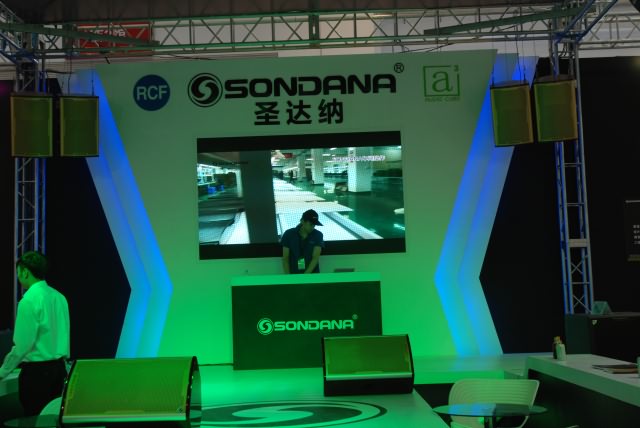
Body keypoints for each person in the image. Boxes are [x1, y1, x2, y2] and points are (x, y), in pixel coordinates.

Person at [0, 251, 70, 416]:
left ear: (25, 272)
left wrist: (3, 371)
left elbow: (22, 346)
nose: (18, 276)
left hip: (37, 375)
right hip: (59, 371)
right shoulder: (60, 297)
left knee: (34, 418)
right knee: (52, 418)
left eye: (18, 272)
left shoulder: (28, 301)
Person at [281, 209, 325, 274]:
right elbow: (285, 258)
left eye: (314, 225)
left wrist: (305, 276)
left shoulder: (318, 235)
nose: (313, 227)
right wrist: (288, 277)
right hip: (294, 274)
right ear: (302, 221)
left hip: (312, 275)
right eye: (311, 224)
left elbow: (315, 258)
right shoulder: (289, 234)